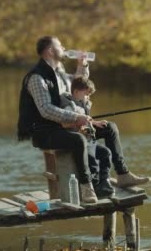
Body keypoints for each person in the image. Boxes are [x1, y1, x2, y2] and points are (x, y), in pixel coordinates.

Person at [17, 36, 98, 204]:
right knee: (78, 140)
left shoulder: (59, 73)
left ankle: (121, 175)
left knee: (109, 129)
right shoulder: (36, 78)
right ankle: (86, 187)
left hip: (63, 126)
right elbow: (46, 110)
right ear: (50, 51)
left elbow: (77, 85)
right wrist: (76, 117)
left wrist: (82, 65)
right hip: (44, 132)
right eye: (60, 45)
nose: (64, 47)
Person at [61, 76, 151, 195]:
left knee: (110, 127)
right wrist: (81, 124)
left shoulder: (82, 102)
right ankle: (96, 185)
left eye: (89, 95)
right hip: (76, 137)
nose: (88, 97)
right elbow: (65, 122)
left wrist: (93, 122)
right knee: (95, 154)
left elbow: (85, 119)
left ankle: (121, 174)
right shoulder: (67, 103)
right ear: (76, 92)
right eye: (86, 94)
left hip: (87, 133)